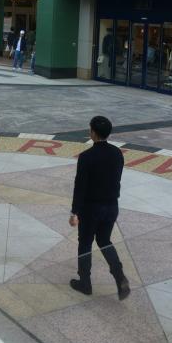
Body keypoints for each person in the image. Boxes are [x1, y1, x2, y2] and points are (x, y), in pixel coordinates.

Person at [69, 115, 130, 300]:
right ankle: (119, 276)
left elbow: (80, 187)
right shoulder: (117, 153)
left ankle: (85, 282)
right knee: (104, 240)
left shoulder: (86, 157)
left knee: (85, 243)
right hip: (111, 206)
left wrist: (74, 211)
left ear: (93, 133)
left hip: (91, 208)